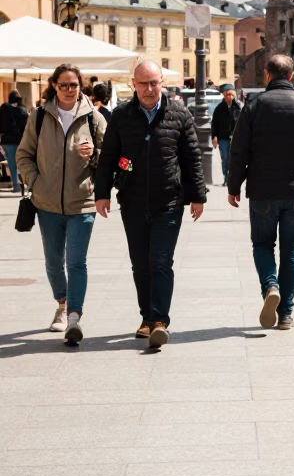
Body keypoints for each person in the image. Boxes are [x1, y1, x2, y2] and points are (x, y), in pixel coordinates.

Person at [95, 60, 206, 348]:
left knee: (160, 262)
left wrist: (197, 196)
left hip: (169, 200)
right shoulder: (121, 115)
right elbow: (108, 157)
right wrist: (102, 193)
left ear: (162, 84)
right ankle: (146, 317)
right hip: (132, 200)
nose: (148, 89)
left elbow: (192, 156)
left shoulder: (178, 113)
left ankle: (159, 320)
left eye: (154, 83)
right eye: (143, 83)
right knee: (139, 264)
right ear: (134, 84)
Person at [227, 54, 294, 330]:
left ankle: (270, 286)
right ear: (292, 76)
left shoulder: (254, 105)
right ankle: (285, 314)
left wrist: (233, 186)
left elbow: (239, 150)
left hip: (262, 190)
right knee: (291, 249)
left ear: (266, 75)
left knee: (262, 245)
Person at [16, 64, 107, 343]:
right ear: (54, 86)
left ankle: (74, 318)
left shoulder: (94, 117)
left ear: (81, 87)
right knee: (54, 262)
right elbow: (23, 155)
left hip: (83, 203)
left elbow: (112, 161)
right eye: (64, 85)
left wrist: (94, 154)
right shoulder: (40, 116)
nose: (70, 90)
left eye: (74, 85)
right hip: (47, 203)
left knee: (76, 262)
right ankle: (62, 303)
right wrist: (36, 182)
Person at [211, 84, 241, 185]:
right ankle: (226, 177)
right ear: (224, 95)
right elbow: (214, 123)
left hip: (235, 137)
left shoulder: (238, 108)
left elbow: (242, 123)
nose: (230, 97)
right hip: (223, 137)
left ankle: (231, 177)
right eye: (228, 94)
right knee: (225, 158)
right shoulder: (219, 108)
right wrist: (214, 137)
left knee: (233, 159)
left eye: (232, 95)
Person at [0, 91, 29, 192]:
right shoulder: (23, 110)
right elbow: (27, 127)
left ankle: (16, 185)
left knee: (12, 163)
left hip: (7, 140)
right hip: (21, 140)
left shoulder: (4, 109)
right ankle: (25, 183)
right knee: (23, 162)